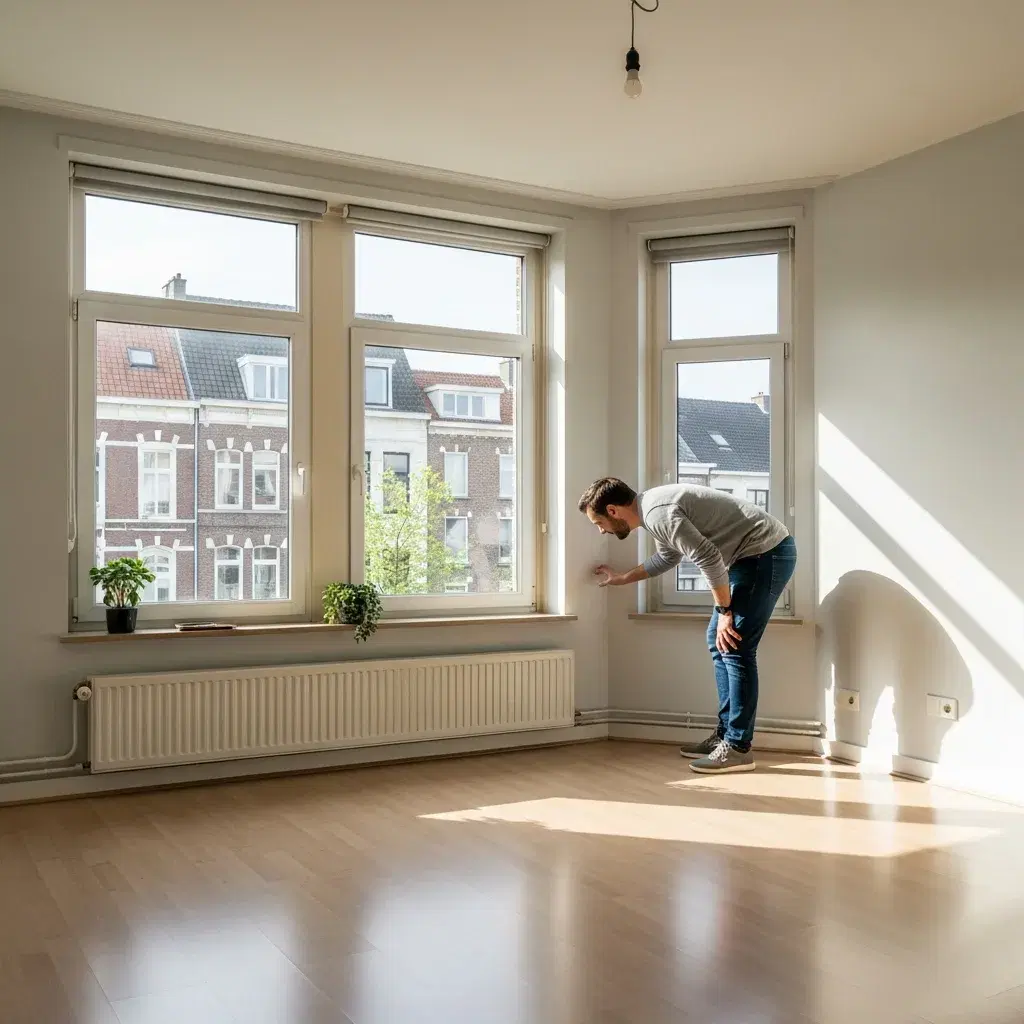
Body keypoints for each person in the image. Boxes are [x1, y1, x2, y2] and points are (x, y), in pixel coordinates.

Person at [578, 477, 796, 774]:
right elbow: (669, 556)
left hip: (765, 553)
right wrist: (623, 578)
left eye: (598, 522)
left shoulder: (659, 513)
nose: (601, 530)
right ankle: (725, 736)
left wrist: (725, 610)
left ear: (613, 510)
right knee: (718, 641)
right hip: (753, 557)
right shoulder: (651, 510)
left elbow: (708, 558)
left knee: (736, 645)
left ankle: (738, 747)